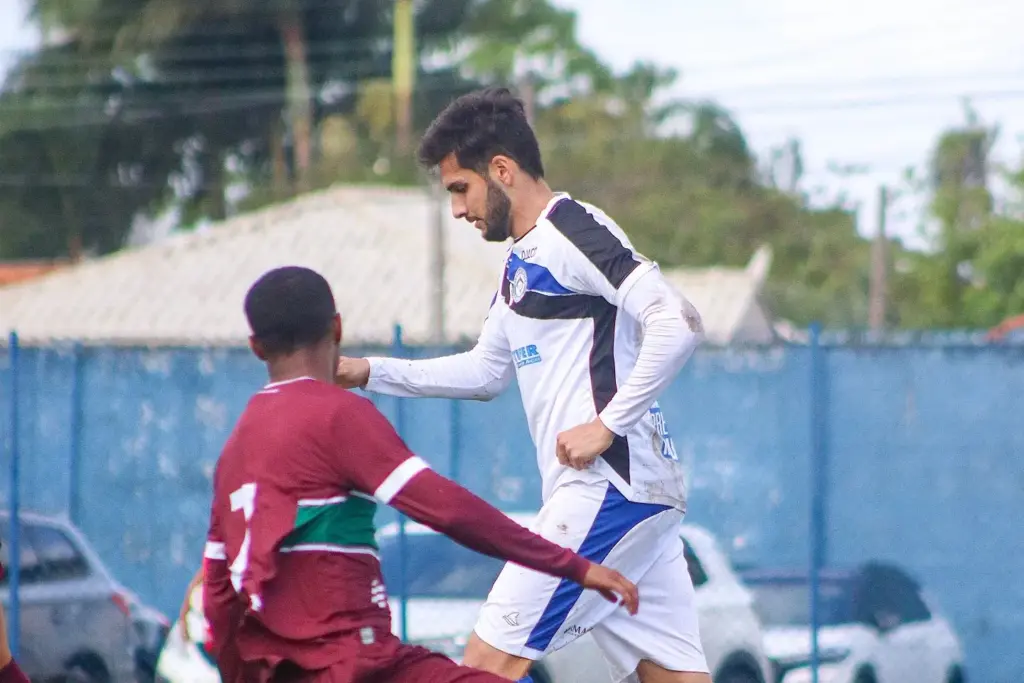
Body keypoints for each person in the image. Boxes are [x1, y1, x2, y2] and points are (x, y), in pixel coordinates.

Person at [335, 87, 710, 683]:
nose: (457, 209)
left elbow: (677, 322)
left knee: (485, 665)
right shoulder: (521, 260)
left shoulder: (571, 230)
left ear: (502, 170)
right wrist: (369, 371)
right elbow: (485, 371)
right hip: (632, 493)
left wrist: (605, 426)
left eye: (461, 188)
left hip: (609, 487)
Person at [202, 265, 639, 683]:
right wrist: (573, 566)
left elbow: (219, 593)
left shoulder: (236, 448)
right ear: (336, 327)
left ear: (256, 346)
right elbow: (448, 510)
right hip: (356, 664)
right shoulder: (336, 416)